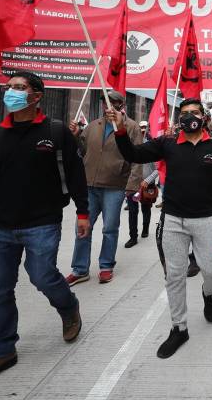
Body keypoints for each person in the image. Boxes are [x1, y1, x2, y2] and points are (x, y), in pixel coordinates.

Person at [0, 71, 89, 390]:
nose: (11, 92)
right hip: (1, 226)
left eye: (20, 88)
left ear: (36, 96)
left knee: (43, 276)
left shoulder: (55, 132)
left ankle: (68, 307)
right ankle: (1, 350)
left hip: (42, 221)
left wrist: (83, 212)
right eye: (9, 87)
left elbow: (75, 173)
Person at [109, 98, 212, 358]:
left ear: (204, 117)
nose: (189, 116)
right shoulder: (167, 144)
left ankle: (209, 295)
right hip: (173, 221)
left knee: (211, 271)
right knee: (175, 276)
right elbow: (132, 154)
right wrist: (120, 129)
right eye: (184, 113)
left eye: (194, 112)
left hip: (205, 220)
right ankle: (179, 328)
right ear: (178, 118)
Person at [66, 90, 143, 285]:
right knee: (82, 228)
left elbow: (137, 157)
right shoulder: (93, 126)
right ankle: (80, 269)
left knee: (110, 228)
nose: (109, 105)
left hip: (114, 186)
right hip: (89, 185)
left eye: (114, 101)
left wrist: (132, 185)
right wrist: (74, 137)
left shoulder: (131, 127)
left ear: (121, 104)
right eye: (106, 101)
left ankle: (106, 266)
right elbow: (81, 151)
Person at [124, 120, 158, 248]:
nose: (142, 130)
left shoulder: (151, 149)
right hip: (132, 184)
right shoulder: (129, 149)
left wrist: (147, 180)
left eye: (144, 128)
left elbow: (157, 170)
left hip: (147, 185)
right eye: (140, 128)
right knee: (132, 211)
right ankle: (133, 236)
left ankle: (145, 229)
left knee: (146, 209)